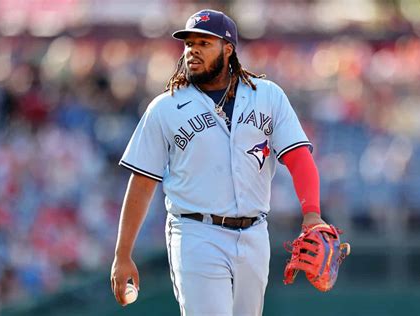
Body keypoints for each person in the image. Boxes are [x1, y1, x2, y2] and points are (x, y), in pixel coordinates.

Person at [110, 9, 329, 315]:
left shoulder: (267, 96)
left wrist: (312, 214)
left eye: (204, 43)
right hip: (196, 233)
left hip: (254, 233)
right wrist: (123, 253)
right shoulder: (166, 107)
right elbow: (143, 181)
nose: (193, 50)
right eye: (189, 44)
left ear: (228, 49)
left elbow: (298, 157)